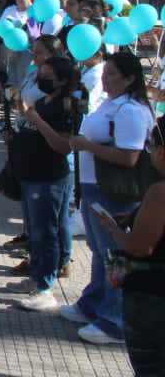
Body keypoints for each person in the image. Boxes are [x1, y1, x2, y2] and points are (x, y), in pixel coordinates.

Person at [65, 50, 155, 345]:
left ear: (129, 79)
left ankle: (114, 320)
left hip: (114, 191)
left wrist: (87, 146)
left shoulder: (130, 110)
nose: (105, 79)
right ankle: (92, 304)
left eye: (112, 75)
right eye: (105, 73)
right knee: (99, 250)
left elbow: (130, 157)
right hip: (95, 186)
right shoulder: (112, 103)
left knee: (114, 255)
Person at [97, 114, 165, 377]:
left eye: (152, 145)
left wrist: (114, 230)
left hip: (152, 296)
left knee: (153, 373)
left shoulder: (160, 192)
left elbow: (139, 247)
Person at [15, 56, 82, 310]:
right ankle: (37, 276)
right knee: (36, 231)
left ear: (62, 80)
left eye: (47, 75)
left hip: (50, 176)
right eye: (40, 74)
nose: (41, 79)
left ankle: (45, 288)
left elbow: (63, 146)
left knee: (46, 233)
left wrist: (37, 121)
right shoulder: (44, 102)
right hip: (31, 172)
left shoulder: (66, 106)